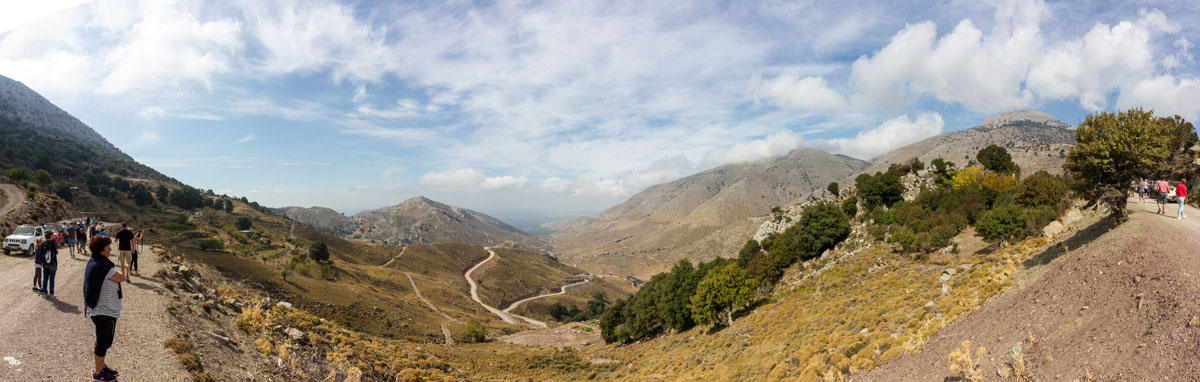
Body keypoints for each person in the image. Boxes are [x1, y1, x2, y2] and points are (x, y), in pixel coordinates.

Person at [84, 236, 124, 382]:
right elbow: (121, 277)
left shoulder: (97, 261)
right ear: (101, 250)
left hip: (103, 309)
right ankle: (98, 374)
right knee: (103, 342)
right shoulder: (102, 266)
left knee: (103, 341)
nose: (110, 249)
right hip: (103, 311)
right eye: (108, 247)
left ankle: (101, 367)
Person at [38, 231, 59, 297]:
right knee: (52, 279)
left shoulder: (43, 243)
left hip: (45, 264)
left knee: (45, 279)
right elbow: (56, 252)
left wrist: (42, 262)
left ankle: (45, 292)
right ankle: (51, 293)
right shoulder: (53, 243)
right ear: (50, 236)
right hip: (52, 263)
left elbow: (39, 254)